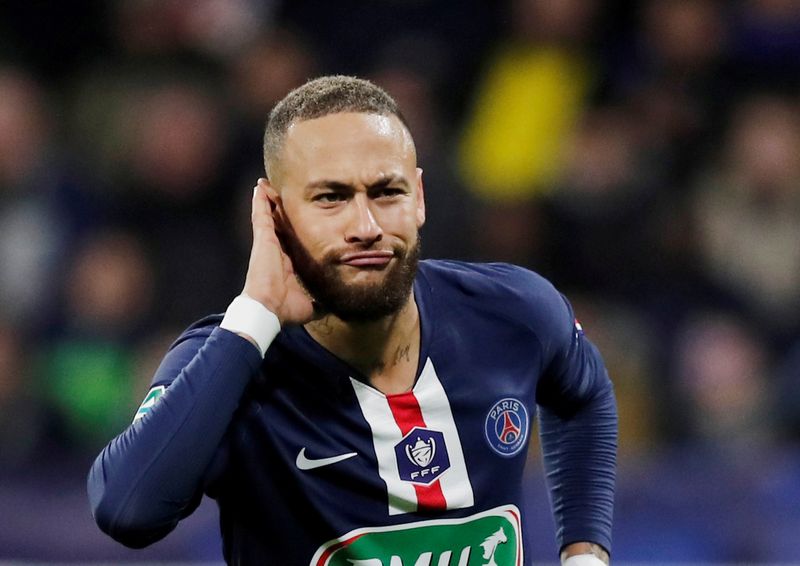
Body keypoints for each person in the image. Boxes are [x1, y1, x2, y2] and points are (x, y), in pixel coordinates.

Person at [87, 75, 617, 565]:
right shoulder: (229, 360)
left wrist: (585, 552)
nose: (365, 226)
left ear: (420, 198)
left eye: (387, 192)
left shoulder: (511, 313)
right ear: (273, 214)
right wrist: (253, 318)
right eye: (331, 197)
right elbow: (127, 510)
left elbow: (585, 393)